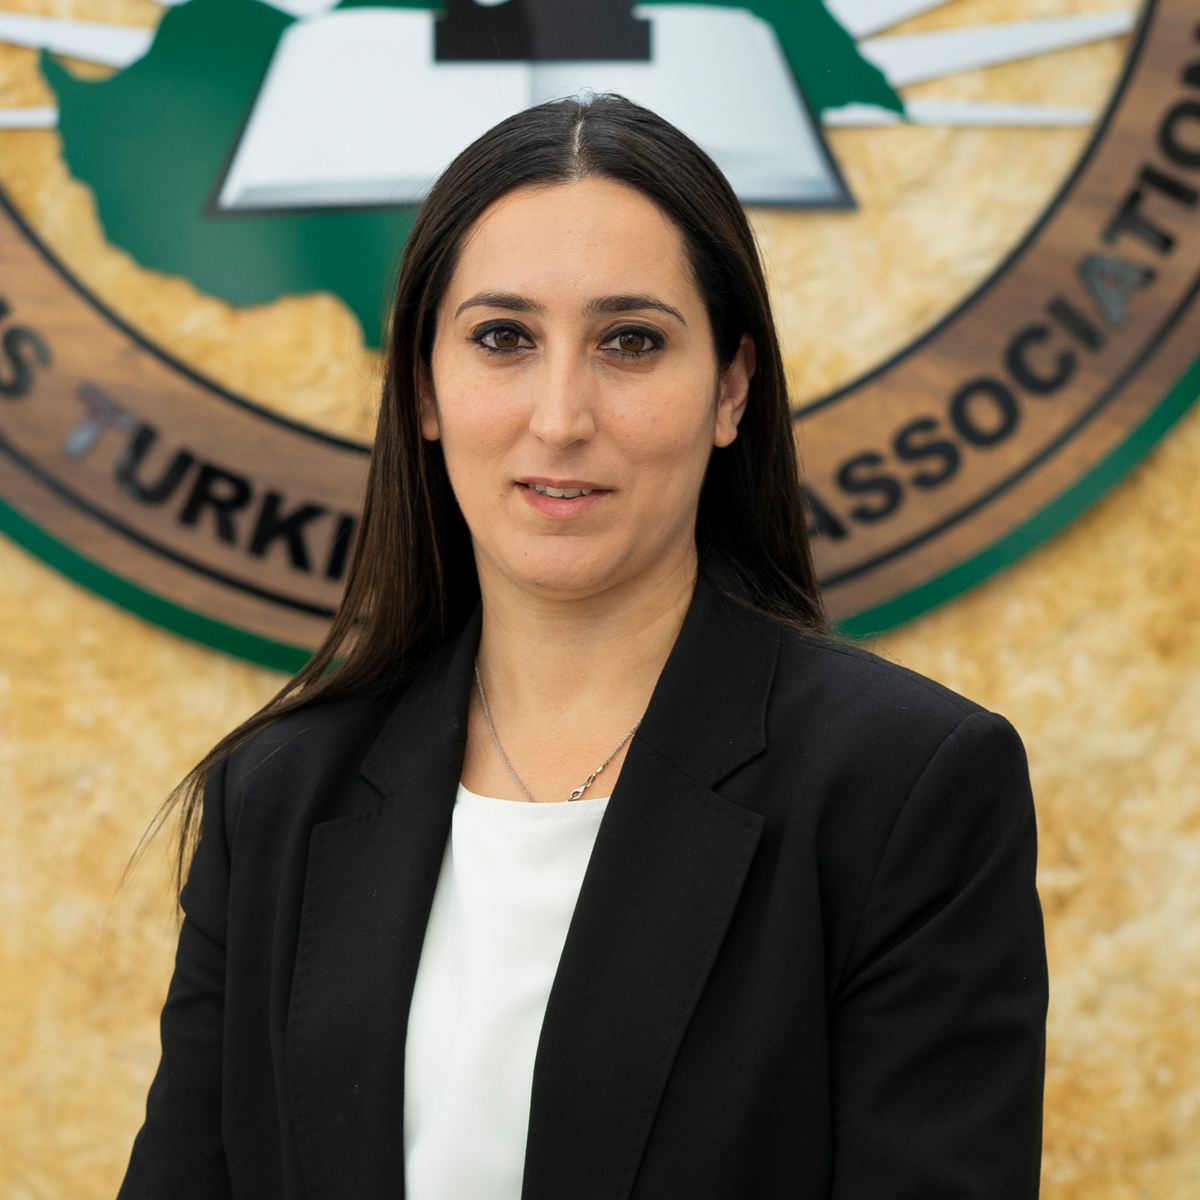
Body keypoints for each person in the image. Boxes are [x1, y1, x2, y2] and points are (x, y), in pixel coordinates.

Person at [117, 94, 1047, 1200]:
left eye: (631, 342)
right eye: (503, 339)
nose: (560, 417)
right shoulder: (275, 795)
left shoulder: (906, 790)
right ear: (423, 387)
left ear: (731, 390)